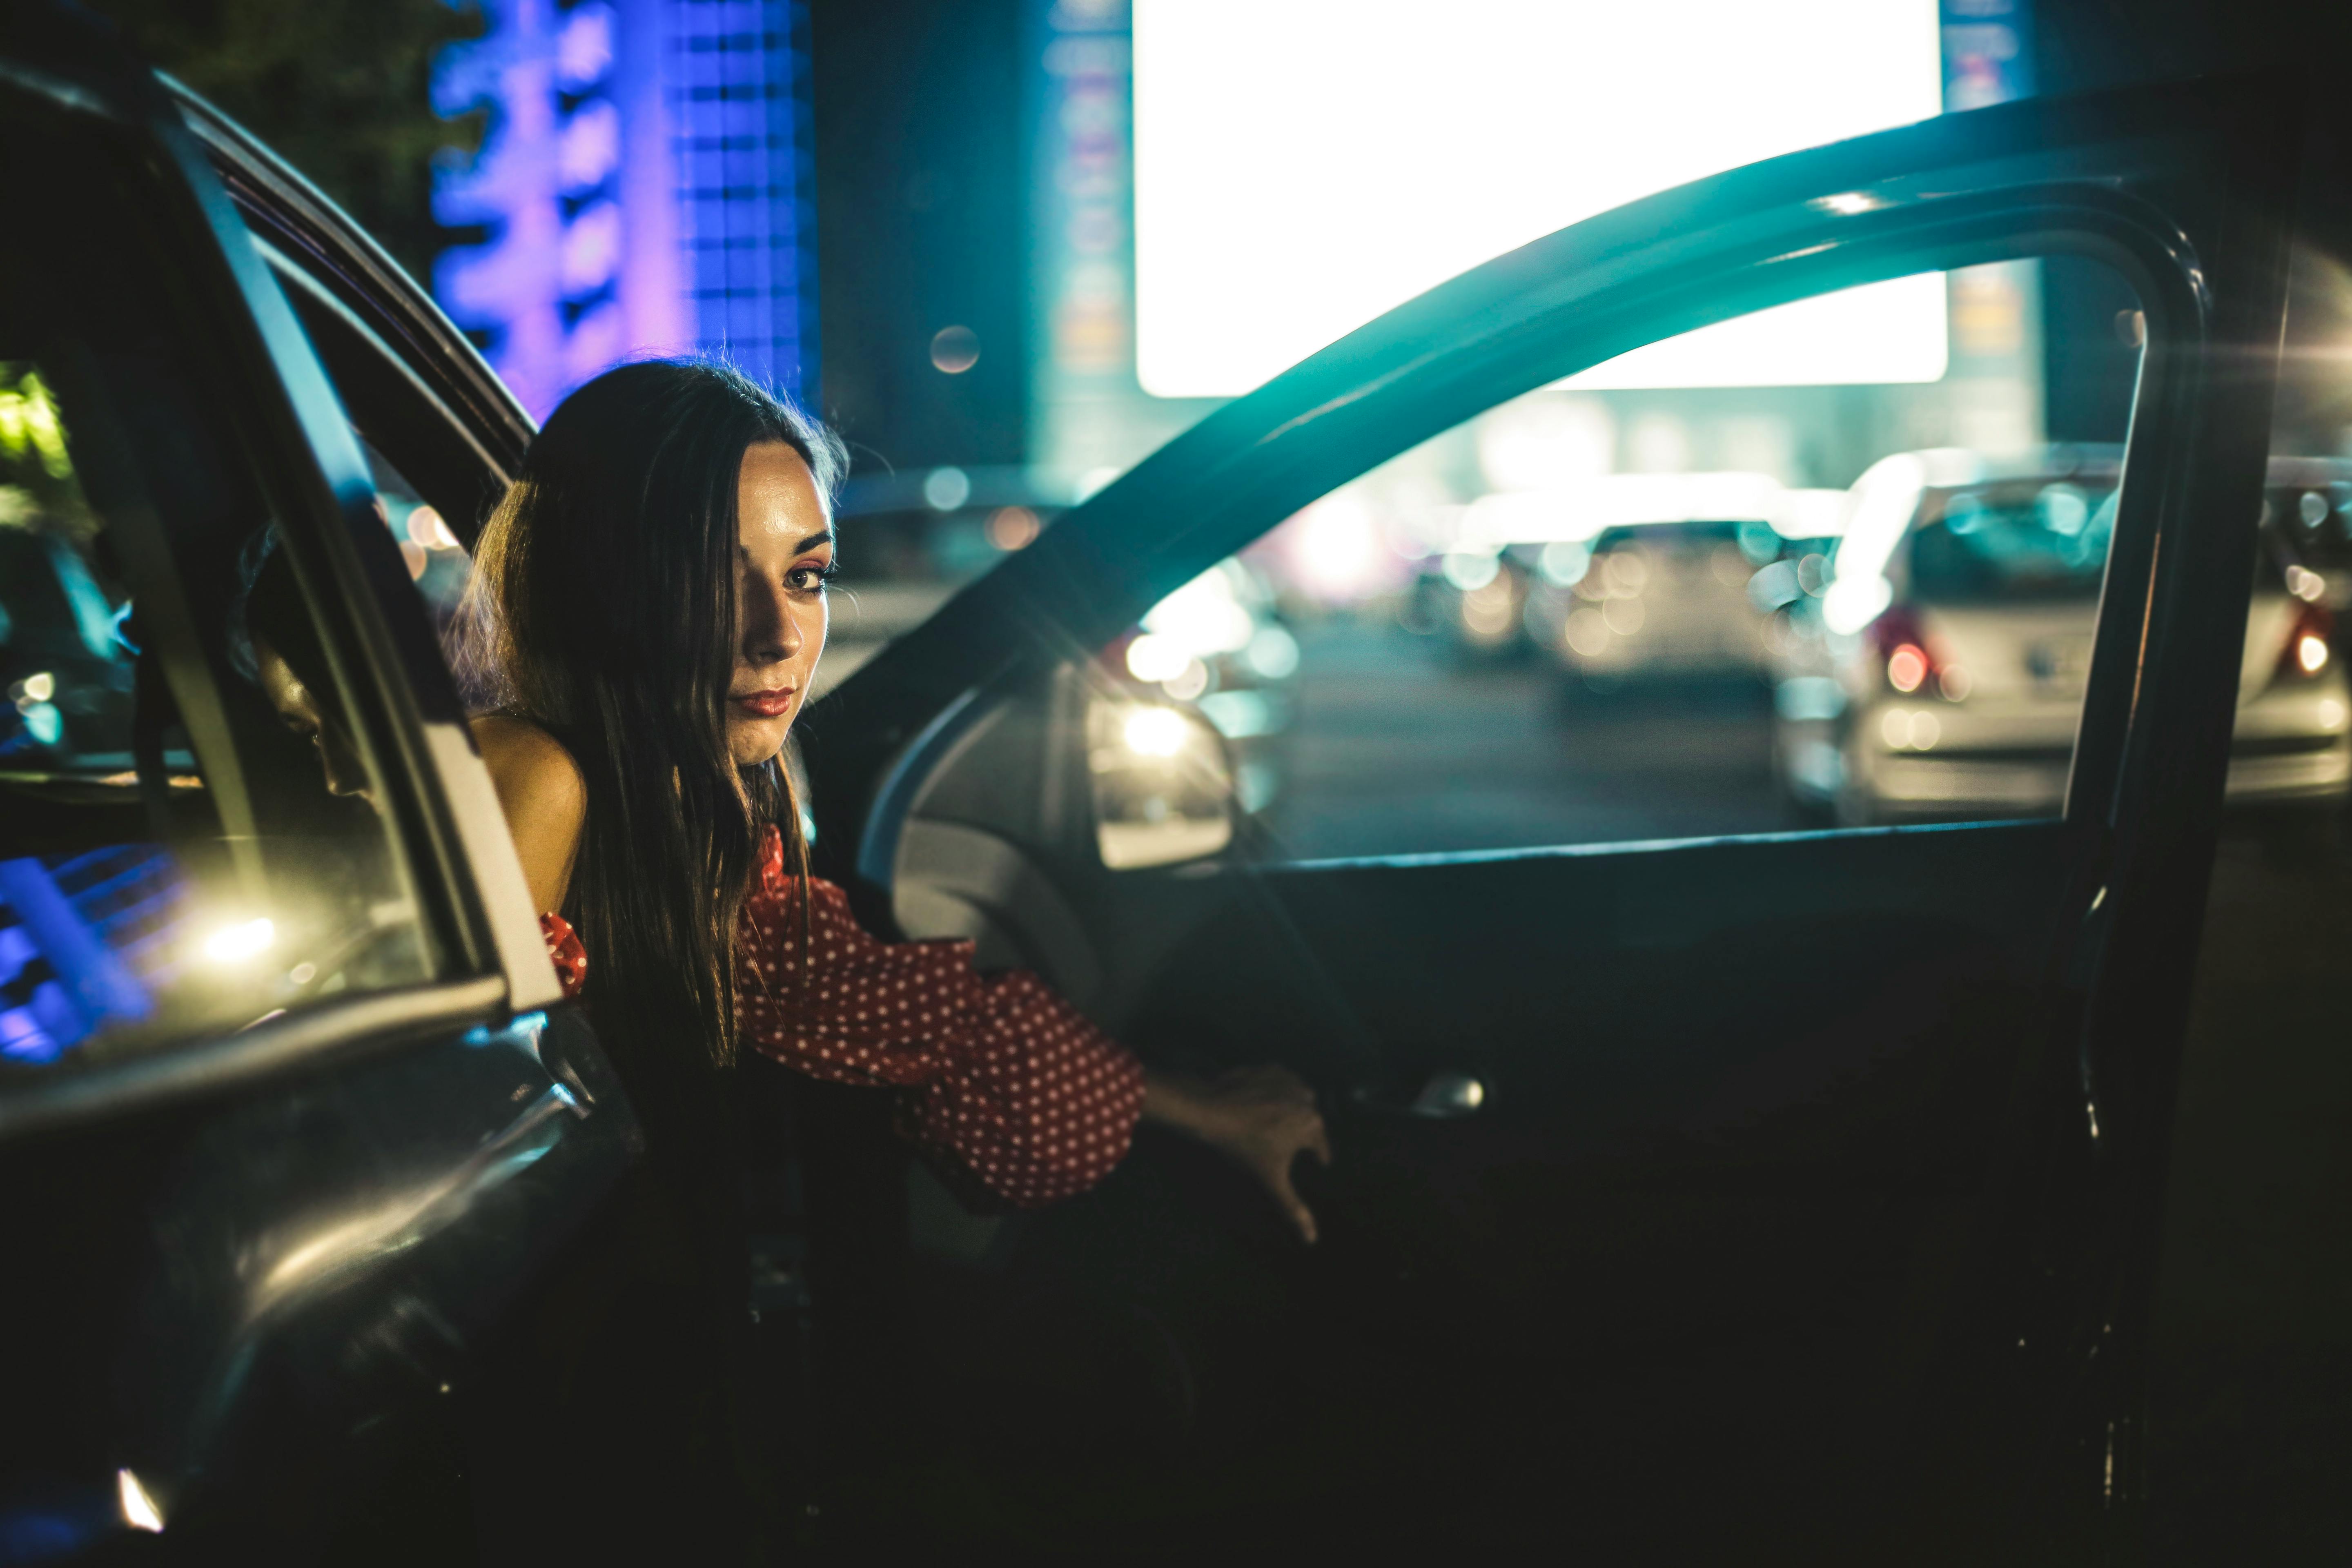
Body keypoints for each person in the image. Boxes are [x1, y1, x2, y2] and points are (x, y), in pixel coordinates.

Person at [453, 358, 1332, 1241]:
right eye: (710, 574)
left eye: (806, 577)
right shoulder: (538, 775)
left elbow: (902, 1014)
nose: (777, 636)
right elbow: (473, 1135)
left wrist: (1197, 1108)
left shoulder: (704, 814)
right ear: (597, 584)